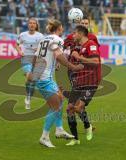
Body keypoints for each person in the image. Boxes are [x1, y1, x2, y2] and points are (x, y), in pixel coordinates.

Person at [32, 19, 84, 148]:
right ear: (59, 28)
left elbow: (35, 58)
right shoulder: (58, 39)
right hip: (45, 79)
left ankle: (59, 129)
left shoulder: (43, 39)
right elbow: (59, 55)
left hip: (41, 76)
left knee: (60, 99)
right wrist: (73, 66)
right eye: (61, 27)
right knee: (55, 106)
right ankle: (44, 137)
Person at [63, 16, 99, 145]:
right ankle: (75, 139)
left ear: (81, 33)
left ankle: (88, 126)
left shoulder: (91, 43)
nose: (73, 35)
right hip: (78, 80)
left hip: (90, 82)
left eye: (75, 33)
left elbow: (95, 61)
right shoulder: (78, 45)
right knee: (69, 109)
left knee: (78, 108)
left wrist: (79, 57)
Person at [15, 18, 44, 110]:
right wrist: (20, 51)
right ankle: (28, 96)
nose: (32, 25)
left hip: (37, 59)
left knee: (34, 80)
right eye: (30, 23)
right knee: (29, 77)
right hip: (26, 58)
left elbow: (44, 48)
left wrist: (39, 50)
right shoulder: (23, 35)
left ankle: (28, 98)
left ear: (36, 25)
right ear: (28, 25)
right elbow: (16, 44)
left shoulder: (40, 36)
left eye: (33, 23)